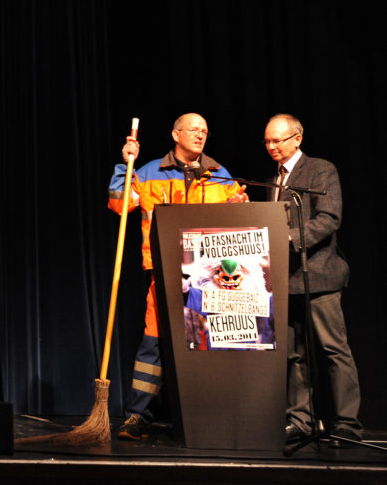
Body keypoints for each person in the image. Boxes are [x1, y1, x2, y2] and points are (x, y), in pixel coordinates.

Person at [108, 113, 247, 439]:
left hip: (209, 277)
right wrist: (125, 164)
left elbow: (239, 219)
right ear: (176, 134)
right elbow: (119, 204)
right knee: (153, 343)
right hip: (164, 271)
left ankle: (210, 417)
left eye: (205, 131)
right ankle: (138, 416)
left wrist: (240, 204)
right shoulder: (149, 173)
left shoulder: (220, 175)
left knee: (207, 343)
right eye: (194, 130)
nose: (200, 135)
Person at [263, 114, 362, 447]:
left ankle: (347, 423)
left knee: (334, 350)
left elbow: (329, 218)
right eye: (267, 141)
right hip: (285, 280)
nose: (271, 146)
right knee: (294, 354)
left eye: (277, 140)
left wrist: (290, 237)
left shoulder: (320, 170)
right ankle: (300, 420)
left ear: (297, 139)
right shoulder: (273, 179)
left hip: (319, 274)